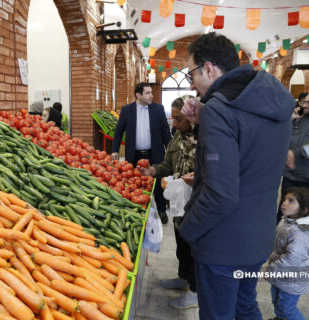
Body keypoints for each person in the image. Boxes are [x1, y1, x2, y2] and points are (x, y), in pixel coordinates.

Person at [179, 32, 294, 319]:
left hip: (223, 244)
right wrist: (203, 118)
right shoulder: (270, 99)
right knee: (245, 306)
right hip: (257, 237)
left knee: (219, 313)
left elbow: (220, 194)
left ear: (208, 68)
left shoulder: (220, 109)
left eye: (192, 73)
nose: (191, 83)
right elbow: (250, 149)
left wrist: (189, 231)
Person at [140, 96, 198, 309]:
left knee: (194, 245)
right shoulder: (176, 137)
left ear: (192, 118)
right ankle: (183, 278)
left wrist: (199, 176)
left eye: (179, 119)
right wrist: (152, 170)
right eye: (173, 118)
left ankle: (195, 291)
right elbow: (167, 164)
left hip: (199, 200)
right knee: (181, 240)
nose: (175, 124)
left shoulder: (207, 136)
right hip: (180, 199)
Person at [111, 82, 171, 223]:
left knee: (157, 184)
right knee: (134, 182)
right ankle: (136, 211)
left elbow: (165, 132)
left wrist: (171, 152)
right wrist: (114, 150)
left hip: (154, 153)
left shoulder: (158, 109)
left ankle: (162, 210)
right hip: (134, 154)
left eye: (151, 92)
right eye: (148, 93)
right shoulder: (127, 110)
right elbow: (118, 131)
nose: (151, 95)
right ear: (138, 95)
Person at [266, 187, 309, 320]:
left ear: (304, 209)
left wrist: (272, 269)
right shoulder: (286, 220)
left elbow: (293, 259)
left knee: (287, 307)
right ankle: (280, 318)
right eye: (285, 199)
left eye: (291, 201)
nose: (284, 203)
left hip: (292, 279)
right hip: (281, 275)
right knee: (277, 301)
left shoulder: (301, 233)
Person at [278, 94, 309, 221]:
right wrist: (290, 119)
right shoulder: (298, 119)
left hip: (306, 178)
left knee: (303, 214)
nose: (305, 105)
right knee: (284, 210)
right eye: (304, 102)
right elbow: (279, 137)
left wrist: (295, 153)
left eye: (308, 103)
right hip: (290, 175)